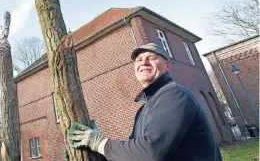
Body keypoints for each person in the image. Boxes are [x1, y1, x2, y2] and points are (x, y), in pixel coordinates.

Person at [67, 43, 223, 161]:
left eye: (151, 58)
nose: (143, 62)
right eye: (139, 60)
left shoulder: (175, 95)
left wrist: (99, 143)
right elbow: (133, 156)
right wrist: (92, 150)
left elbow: (150, 152)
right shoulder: (144, 109)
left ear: (167, 65)